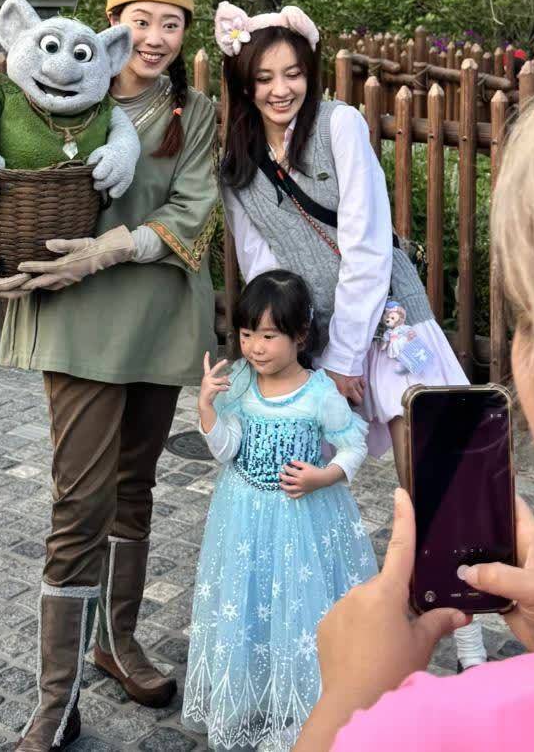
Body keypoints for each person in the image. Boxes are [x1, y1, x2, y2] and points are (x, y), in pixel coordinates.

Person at [0, 0, 218, 751]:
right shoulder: (44, 87)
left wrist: (107, 249)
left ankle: (116, 643)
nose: (155, 37)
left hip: (158, 321)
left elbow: (195, 210)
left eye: (171, 23)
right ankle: (57, 698)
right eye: (142, 19)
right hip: (79, 329)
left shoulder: (193, 112)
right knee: (78, 503)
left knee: (135, 490)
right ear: (113, 23)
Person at [294, 73, 534, 752]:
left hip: (383, 337)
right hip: (345, 343)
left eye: (527, 318)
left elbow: (367, 249)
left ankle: (465, 640)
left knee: (432, 490)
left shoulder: (433, 728)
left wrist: (345, 705)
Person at [215, 1, 487, 674]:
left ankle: (470, 647)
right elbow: (264, 269)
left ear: (310, 71)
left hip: (388, 322)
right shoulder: (239, 166)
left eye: (293, 73)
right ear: (245, 85)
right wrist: (294, 356)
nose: (281, 89)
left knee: (431, 474)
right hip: (314, 338)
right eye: (264, 78)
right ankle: (308, 638)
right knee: (301, 482)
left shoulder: (338, 126)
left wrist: (343, 358)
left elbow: (366, 245)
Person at [181, 270, 376, 751]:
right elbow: (227, 449)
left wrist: (323, 476)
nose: (255, 347)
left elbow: (353, 445)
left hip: (301, 519)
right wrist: (207, 408)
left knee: (296, 604)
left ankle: (303, 704)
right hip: (243, 514)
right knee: (249, 600)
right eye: (247, 334)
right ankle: (252, 689)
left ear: (300, 336)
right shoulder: (240, 382)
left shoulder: (318, 393)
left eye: (268, 336)